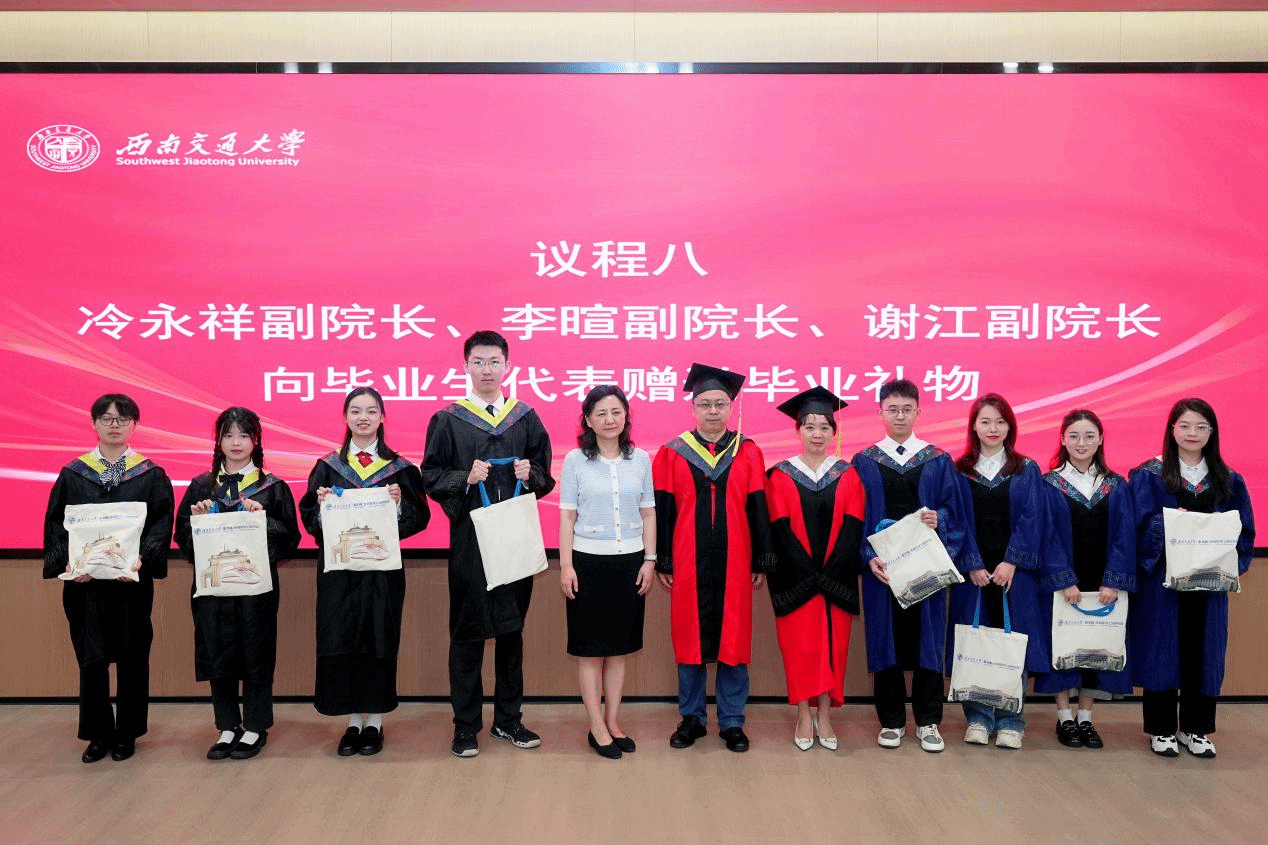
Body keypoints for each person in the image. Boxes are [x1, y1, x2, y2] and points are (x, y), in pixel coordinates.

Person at [422, 330, 555, 759]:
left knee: (511, 632)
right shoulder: (448, 419)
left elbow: (545, 474)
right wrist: (465, 478)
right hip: (471, 542)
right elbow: (430, 475)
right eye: (478, 362)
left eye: (494, 362)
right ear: (466, 367)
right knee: (467, 633)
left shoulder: (525, 417)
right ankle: (465, 726)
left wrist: (530, 475)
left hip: (514, 537)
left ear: (507, 366)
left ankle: (508, 720)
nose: (486, 370)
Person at [42, 393, 174, 764]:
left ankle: (127, 733)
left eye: (122, 418)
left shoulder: (149, 474)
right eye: (106, 418)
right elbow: (56, 525)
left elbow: (161, 522)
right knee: (92, 658)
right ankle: (98, 733)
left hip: (129, 583)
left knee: (133, 657)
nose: (114, 425)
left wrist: (141, 560)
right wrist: (71, 566)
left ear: (134, 425)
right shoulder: (73, 473)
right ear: (94, 423)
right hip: (85, 585)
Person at [299, 387, 430, 757]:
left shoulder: (400, 469)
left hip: (380, 574)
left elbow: (419, 519)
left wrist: (399, 505)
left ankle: (375, 722)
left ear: (382, 417)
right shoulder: (328, 468)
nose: (363, 417)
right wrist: (321, 507)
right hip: (339, 574)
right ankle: (352, 721)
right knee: (341, 638)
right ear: (345, 417)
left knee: (378, 638)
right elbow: (310, 521)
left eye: (371, 411)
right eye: (355, 411)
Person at [653, 363, 776, 753]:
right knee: (690, 637)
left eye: (720, 404)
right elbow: (663, 510)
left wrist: (761, 560)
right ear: (693, 408)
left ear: (730, 408)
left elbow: (758, 507)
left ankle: (732, 721)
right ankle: (691, 718)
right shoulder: (672, 453)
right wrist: (664, 560)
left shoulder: (748, 451)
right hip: (688, 560)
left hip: (736, 559)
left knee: (734, 639)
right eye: (704, 404)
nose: (712, 411)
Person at [852, 378, 975, 753]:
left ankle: (928, 721)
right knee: (885, 643)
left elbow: (955, 513)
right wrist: (867, 555)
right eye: (892, 409)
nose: (900, 416)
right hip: (884, 570)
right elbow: (854, 518)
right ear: (880, 413)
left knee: (928, 644)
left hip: (927, 569)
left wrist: (941, 520)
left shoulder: (937, 460)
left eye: (907, 409)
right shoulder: (864, 461)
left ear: (919, 412)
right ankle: (891, 722)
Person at [1129, 398, 1254, 759]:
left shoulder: (1228, 479)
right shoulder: (1149, 475)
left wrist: (1220, 536)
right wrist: (1171, 522)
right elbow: (1137, 525)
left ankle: (1196, 729)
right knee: (1163, 652)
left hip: (1209, 585)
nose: (1192, 433)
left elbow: (1244, 531)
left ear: (1212, 432)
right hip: (1164, 584)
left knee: (1204, 653)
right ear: (1172, 430)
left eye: (1201, 427)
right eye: (1184, 426)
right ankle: (1162, 729)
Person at [173, 407, 301, 761]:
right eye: (228, 435)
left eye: (244, 435)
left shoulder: (272, 487)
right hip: (213, 589)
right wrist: (197, 521)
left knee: (257, 651)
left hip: (255, 589)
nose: (236, 442)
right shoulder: (201, 486)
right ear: (218, 440)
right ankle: (228, 726)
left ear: (255, 440)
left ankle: (256, 726)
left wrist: (265, 521)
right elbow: (182, 537)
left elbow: (290, 539)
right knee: (218, 651)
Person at [558, 385, 656, 759]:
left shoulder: (641, 459)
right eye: (600, 413)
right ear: (588, 420)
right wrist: (566, 566)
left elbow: (648, 512)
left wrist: (650, 559)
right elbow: (567, 516)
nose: (609, 419)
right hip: (587, 564)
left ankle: (613, 721)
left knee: (618, 651)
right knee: (589, 651)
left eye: (616, 412)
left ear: (626, 416)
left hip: (629, 563)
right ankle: (596, 725)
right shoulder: (575, 461)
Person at [765, 387, 864, 751]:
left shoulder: (849, 475)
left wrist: (829, 572)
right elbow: (779, 531)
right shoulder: (780, 475)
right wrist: (809, 573)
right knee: (801, 649)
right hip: (797, 580)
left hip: (835, 579)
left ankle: (825, 714)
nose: (817, 434)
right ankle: (803, 715)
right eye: (809, 427)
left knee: (833, 648)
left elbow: (853, 528)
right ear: (798, 431)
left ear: (834, 432)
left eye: (824, 427)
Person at [949, 393, 1047, 749]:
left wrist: (1011, 561)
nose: (993, 428)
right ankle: (977, 717)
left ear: (1010, 427)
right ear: (974, 426)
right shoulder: (959, 471)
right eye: (985, 421)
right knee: (975, 644)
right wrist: (972, 563)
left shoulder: (1026, 469)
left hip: (1014, 575)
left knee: (1011, 644)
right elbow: (955, 520)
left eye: (1000, 421)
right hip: (972, 575)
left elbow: (1032, 519)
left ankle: (1011, 720)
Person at [1036, 409, 1136, 750]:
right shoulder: (1048, 484)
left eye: (1089, 436)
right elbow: (1046, 536)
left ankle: (1086, 717)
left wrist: (1113, 581)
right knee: (1064, 646)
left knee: (1096, 645)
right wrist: (1064, 580)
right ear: (1063, 439)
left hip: (1103, 582)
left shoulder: (1116, 485)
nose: (1082, 443)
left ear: (1100, 439)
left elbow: (1125, 536)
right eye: (1074, 436)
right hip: (1064, 584)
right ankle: (1065, 716)